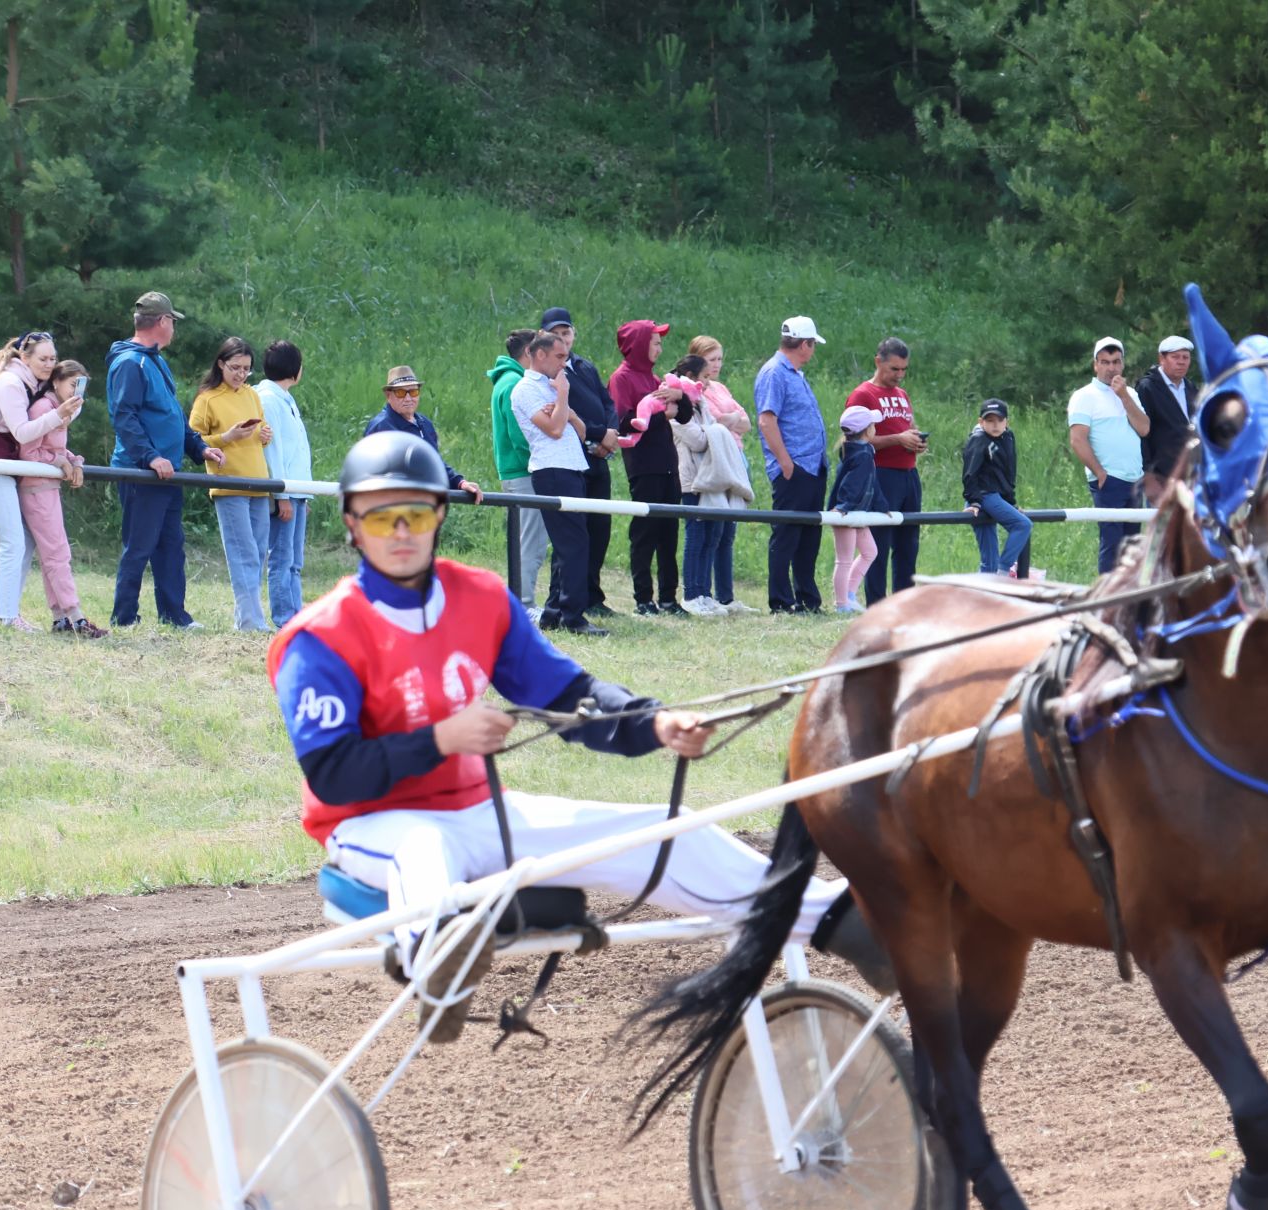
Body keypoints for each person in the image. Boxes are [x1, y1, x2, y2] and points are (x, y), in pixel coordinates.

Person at [267, 432, 890, 1039]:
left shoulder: (479, 597)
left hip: (482, 814)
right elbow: (333, 774)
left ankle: (844, 924)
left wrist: (654, 722)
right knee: (423, 850)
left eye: (415, 514)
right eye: (381, 519)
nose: (400, 532)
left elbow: (567, 693)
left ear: (438, 516)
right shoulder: (319, 638)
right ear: (351, 524)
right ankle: (436, 964)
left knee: (662, 825)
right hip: (371, 828)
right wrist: (441, 738)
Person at [108, 292, 224, 629]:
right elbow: (124, 416)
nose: (174, 327)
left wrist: (198, 448)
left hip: (167, 472)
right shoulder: (130, 363)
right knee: (139, 545)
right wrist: (150, 457)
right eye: (172, 320)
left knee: (171, 545)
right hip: (142, 472)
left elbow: (172, 415)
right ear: (161, 322)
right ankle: (124, 617)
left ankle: (174, 615)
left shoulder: (155, 360)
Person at [0, 331, 81, 632]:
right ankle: (6, 617)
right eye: (43, 358)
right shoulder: (10, 383)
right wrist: (58, 415)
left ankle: (9, 613)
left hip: (6, 469)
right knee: (13, 542)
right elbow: (22, 432)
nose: (49, 364)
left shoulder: (31, 383)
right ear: (25, 357)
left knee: (26, 541)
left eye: (53, 358)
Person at [513, 331, 604, 637]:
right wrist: (563, 399)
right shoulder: (526, 389)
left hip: (571, 468)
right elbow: (554, 429)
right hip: (552, 470)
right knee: (575, 545)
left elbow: (578, 431)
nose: (564, 364)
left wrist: (566, 411)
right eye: (559, 357)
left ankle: (554, 612)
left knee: (569, 545)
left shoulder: (551, 387)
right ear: (539, 355)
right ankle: (573, 617)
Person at [190, 337, 274, 633]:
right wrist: (226, 438)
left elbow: (262, 428)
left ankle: (248, 617)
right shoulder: (207, 398)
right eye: (235, 367)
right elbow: (193, 440)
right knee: (243, 553)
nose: (241, 374)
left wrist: (264, 435)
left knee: (259, 552)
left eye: (247, 369)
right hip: (228, 484)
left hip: (259, 483)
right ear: (221, 364)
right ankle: (251, 621)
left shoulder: (252, 395)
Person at [540, 308, 620, 618]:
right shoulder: (550, 373)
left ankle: (593, 594)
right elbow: (563, 413)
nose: (563, 339)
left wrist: (610, 433)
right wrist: (598, 437)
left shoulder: (585, 366)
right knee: (573, 533)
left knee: (600, 527)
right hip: (574, 457)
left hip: (600, 456)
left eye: (567, 333)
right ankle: (562, 600)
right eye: (555, 334)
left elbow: (607, 401)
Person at [19, 360, 105, 638]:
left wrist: (74, 461)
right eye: (73, 384)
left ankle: (60, 618)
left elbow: (57, 449)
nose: (76, 391)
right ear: (57, 381)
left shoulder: (63, 411)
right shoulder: (44, 409)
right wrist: (59, 461)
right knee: (57, 553)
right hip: (36, 488)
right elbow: (30, 452)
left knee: (52, 555)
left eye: (81, 385)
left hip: (48, 487)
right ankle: (76, 616)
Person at [608, 319, 685, 616]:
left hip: (668, 464)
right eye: (654, 342)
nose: (659, 348)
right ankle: (643, 598)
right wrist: (658, 412)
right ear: (639, 344)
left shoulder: (655, 379)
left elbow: (683, 414)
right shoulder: (622, 378)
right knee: (645, 533)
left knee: (670, 532)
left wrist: (678, 400)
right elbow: (621, 419)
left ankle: (668, 598)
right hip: (643, 465)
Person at [756, 317, 830, 613]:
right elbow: (767, 419)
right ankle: (781, 600)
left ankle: (807, 598)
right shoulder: (775, 372)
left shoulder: (794, 373)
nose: (813, 351)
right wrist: (786, 465)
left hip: (812, 467)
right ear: (804, 344)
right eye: (813, 345)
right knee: (786, 535)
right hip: (795, 469)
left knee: (809, 536)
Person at [675, 350, 756, 614]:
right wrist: (719, 429)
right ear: (689, 377)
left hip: (710, 478)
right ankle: (691, 594)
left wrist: (716, 428)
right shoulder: (677, 408)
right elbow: (697, 439)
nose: (706, 386)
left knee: (712, 537)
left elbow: (711, 427)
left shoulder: (700, 403)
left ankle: (705, 594)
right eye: (702, 380)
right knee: (696, 536)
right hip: (692, 480)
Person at [845, 337, 924, 605]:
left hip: (908, 474)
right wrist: (897, 439)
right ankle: (876, 602)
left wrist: (914, 440)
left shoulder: (902, 395)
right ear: (878, 362)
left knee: (908, 543)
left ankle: (904, 601)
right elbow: (854, 442)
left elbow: (906, 428)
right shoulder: (863, 395)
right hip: (881, 474)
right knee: (879, 543)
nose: (899, 375)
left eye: (904, 370)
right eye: (894, 369)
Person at [1068, 336, 1149, 575]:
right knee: (1112, 544)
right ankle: (1107, 600)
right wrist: (1100, 473)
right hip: (1109, 479)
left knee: (1132, 546)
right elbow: (1077, 439)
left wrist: (1123, 396)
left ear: (1122, 364)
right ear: (1095, 365)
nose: (1111, 368)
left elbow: (1144, 428)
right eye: (1105, 362)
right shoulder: (1085, 396)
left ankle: (1129, 600)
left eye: (1115, 362)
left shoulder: (1131, 394)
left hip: (1134, 479)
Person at [362, 366, 485, 504]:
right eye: (401, 392)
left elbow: (434, 463)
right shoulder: (381, 427)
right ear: (388, 395)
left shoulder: (424, 423)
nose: (408, 398)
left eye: (413, 391)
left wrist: (460, 483)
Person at [488, 330, 547, 614]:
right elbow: (519, 434)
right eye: (540, 352)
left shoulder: (505, 380)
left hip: (513, 472)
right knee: (532, 542)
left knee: (525, 539)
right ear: (528, 354)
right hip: (523, 472)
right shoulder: (514, 383)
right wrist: (539, 461)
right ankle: (523, 605)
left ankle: (519, 601)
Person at [259, 341, 313, 629]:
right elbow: (274, 450)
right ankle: (284, 618)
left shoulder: (285, 398)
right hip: (284, 490)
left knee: (295, 561)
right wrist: (282, 495)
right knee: (281, 558)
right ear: (295, 368)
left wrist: (305, 495)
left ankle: (297, 616)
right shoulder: (267, 398)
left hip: (297, 491)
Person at [963, 398, 1030, 576]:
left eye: (1000, 420)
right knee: (1022, 525)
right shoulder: (978, 439)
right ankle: (1003, 572)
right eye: (990, 420)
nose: (995, 425)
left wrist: (1011, 503)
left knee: (989, 563)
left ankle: (980, 598)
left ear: (1007, 421)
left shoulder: (1008, 437)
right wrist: (974, 502)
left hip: (997, 497)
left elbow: (1008, 472)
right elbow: (970, 473)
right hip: (983, 496)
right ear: (980, 422)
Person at [827, 405, 883, 613]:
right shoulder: (860, 455)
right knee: (844, 559)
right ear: (867, 430)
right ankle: (841, 604)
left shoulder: (865, 451)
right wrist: (844, 508)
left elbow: (871, 483)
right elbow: (851, 484)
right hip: (847, 512)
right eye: (873, 425)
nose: (876, 428)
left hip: (858, 512)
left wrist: (882, 506)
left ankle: (849, 595)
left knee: (870, 552)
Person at [1136, 336, 1195, 505]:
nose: (1181, 362)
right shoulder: (1147, 388)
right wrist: (1148, 477)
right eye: (1175, 357)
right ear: (1162, 358)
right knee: (1162, 529)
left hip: (1189, 476)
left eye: (1185, 357)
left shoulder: (1190, 388)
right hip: (1160, 477)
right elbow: (1141, 434)